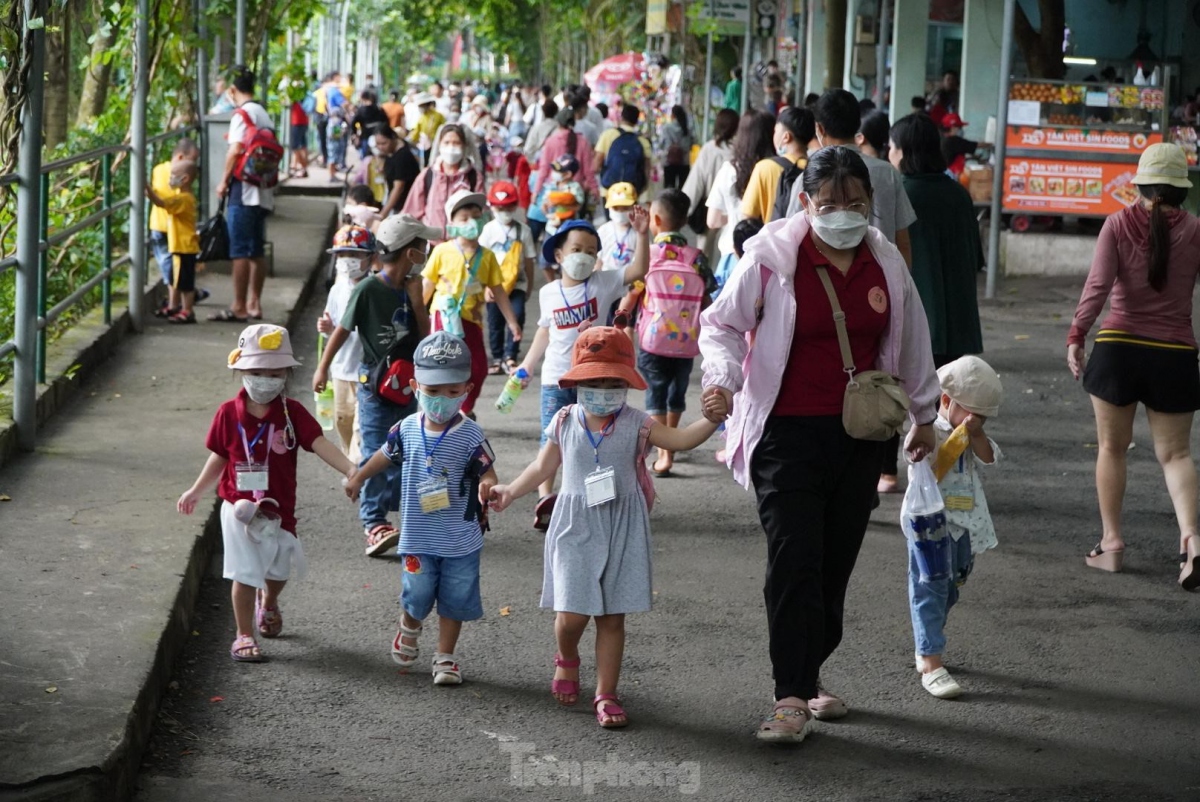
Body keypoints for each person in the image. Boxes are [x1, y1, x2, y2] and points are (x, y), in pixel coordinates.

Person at [698, 146, 940, 743]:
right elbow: (721, 324)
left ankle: (808, 674)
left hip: (861, 436)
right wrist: (721, 382)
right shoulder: (772, 257)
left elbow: (912, 343)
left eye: (855, 202)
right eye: (828, 202)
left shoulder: (885, 263)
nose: (842, 213)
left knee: (834, 567)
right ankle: (789, 694)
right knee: (794, 560)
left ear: (870, 204)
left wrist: (925, 416)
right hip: (785, 434)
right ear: (804, 202)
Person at [488, 324, 728, 727]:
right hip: (574, 523)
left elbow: (681, 440)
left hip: (623, 524)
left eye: (612, 381)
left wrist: (709, 420)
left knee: (613, 616)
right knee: (572, 613)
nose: (602, 390)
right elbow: (543, 466)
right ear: (577, 381)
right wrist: (511, 489)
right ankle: (566, 656)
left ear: (627, 383)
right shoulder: (565, 419)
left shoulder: (639, 422)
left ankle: (606, 692)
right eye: (593, 381)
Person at [178, 324, 357, 662]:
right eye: (257, 371)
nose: (265, 379)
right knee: (244, 573)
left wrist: (350, 469)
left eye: (274, 373)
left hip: (278, 509)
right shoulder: (228, 414)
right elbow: (219, 456)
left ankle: (269, 600)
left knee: (278, 572)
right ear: (241, 370)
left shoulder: (293, 414)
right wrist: (196, 490)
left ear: (286, 374)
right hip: (238, 507)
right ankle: (243, 634)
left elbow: (319, 444)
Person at [1066, 143, 1200, 590]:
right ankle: (1192, 543)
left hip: (1118, 349)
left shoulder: (1118, 224)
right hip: (1176, 354)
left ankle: (1112, 544)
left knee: (1111, 448)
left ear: (1140, 184)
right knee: (1176, 455)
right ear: (1183, 188)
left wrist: (1076, 335)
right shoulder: (1196, 230)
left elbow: (1098, 285)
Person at [345, 331, 499, 685]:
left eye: (452, 391)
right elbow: (383, 456)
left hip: (460, 537)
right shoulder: (405, 429)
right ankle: (409, 625)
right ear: (415, 386)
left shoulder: (471, 434)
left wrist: (489, 485)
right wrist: (358, 478)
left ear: (467, 389)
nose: (442, 400)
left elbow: (487, 469)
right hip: (417, 536)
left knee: (455, 598)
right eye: (432, 391)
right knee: (417, 591)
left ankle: (445, 657)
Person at [313, 215, 437, 557]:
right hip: (375, 385)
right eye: (422, 246)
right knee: (375, 449)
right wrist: (322, 367)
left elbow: (424, 336)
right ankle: (373, 523)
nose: (427, 250)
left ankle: (402, 516)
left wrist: (416, 299)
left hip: (408, 385)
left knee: (405, 449)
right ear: (410, 252)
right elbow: (342, 329)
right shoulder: (368, 289)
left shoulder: (412, 287)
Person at [877, 113, 984, 494]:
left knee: (892, 393)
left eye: (891, 147)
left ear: (903, 152)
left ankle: (887, 473)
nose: (888, 154)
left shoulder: (900, 194)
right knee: (950, 406)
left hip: (912, 318)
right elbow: (977, 260)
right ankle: (944, 476)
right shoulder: (958, 194)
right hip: (957, 320)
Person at [517, 213, 651, 503]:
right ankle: (546, 496)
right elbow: (544, 332)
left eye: (591, 251)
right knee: (552, 435)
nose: (584, 256)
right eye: (576, 250)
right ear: (559, 254)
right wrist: (527, 365)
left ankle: (590, 490)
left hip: (594, 378)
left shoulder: (604, 282)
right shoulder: (548, 292)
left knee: (596, 436)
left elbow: (639, 269)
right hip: (555, 377)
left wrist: (642, 234)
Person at [909, 356, 1002, 699]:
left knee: (952, 586)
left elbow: (989, 457)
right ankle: (930, 658)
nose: (976, 420)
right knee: (929, 586)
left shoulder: (974, 432)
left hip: (966, 524)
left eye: (983, 416)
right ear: (946, 401)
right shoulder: (928, 428)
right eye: (971, 413)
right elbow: (927, 465)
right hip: (930, 522)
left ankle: (929, 634)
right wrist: (957, 436)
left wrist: (975, 434)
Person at [619, 188, 715, 477]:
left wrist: (621, 323)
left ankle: (663, 455)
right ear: (684, 220)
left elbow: (632, 296)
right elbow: (708, 299)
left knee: (655, 395)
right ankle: (670, 444)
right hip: (687, 341)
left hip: (653, 340)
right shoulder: (696, 258)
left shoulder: (650, 256)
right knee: (677, 394)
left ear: (656, 220)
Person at [787, 89, 915, 267]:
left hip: (824, 278)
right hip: (881, 278)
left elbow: (791, 238)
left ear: (820, 129)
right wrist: (901, 286)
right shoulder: (888, 173)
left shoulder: (807, 178)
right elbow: (903, 242)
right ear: (857, 125)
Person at [422, 190, 523, 416]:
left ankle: (463, 409)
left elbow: (498, 290)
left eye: (477, 216)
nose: (472, 222)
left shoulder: (486, 256)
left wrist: (512, 322)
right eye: (464, 217)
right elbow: (426, 288)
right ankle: (439, 411)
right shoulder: (442, 251)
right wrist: (417, 318)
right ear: (452, 222)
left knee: (478, 368)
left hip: (472, 320)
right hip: (443, 317)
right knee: (443, 366)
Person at [213, 67, 275, 323]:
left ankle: (238, 305)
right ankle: (254, 303)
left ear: (232, 90)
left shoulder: (242, 114)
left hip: (243, 189)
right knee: (256, 250)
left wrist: (223, 181)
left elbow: (235, 149)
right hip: (263, 190)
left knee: (239, 250)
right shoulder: (263, 113)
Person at [317, 224, 375, 463]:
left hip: (367, 371)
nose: (348, 260)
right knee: (344, 421)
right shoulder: (337, 290)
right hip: (341, 369)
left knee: (362, 430)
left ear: (371, 258)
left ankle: (358, 471)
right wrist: (327, 329)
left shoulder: (375, 289)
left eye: (355, 255)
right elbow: (332, 328)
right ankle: (352, 466)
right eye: (343, 255)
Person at [707, 111, 776, 292]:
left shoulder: (730, 169)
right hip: (771, 255)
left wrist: (733, 214)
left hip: (733, 253)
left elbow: (712, 220)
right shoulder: (776, 169)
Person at [481, 181, 537, 373]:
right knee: (494, 321)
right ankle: (497, 357)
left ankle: (510, 355)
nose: (504, 211)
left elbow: (529, 261)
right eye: (499, 207)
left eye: (508, 207)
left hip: (518, 283)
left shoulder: (524, 231)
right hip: (494, 284)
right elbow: (482, 259)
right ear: (492, 207)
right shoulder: (488, 230)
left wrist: (528, 285)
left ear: (515, 207)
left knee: (517, 315)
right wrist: (484, 286)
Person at [149, 138, 204, 317]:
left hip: (183, 246)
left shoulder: (183, 199)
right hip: (179, 243)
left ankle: (187, 310)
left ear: (185, 179)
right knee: (177, 276)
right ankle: (176, 306)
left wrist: (147, 189)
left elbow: (162, 202)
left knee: (185, 281)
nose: (171, 180)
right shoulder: (184, 195)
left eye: (173, 177)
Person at [402, 124, 484, 236]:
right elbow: (412, 211)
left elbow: (482, 212)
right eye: (447, 142)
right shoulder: (428, 175)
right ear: (439, 145)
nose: (451, 147)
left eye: (456, 143)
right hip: (431, 243)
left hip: (461, 244)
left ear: (464, 146)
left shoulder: (473, 176)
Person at [741, 106, 813, 223]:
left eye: (775, 131)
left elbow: (748, 218)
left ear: (786, 137)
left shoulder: (765, 167)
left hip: (774, 239)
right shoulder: (816, 169)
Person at [681, 107, 738, 249]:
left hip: (710, 210)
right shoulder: (740, 151)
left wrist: (683, 210)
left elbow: (696, 182)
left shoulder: (709, 149)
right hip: (733, 212)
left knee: (705, 252)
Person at [533, 107, 597, 200]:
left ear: (558, 122)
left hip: (555, 190)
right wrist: (594, 189)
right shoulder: (583, 142)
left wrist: (536, 191)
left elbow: (544, 168)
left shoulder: (551, 141)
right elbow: (589, 171)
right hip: (576, 193)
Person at [594, 103, 651, 204]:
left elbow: (597, 163)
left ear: (622, 117)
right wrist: (642, 188)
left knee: (612, 219)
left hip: (609, 190)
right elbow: (646, 169)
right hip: (631, 191)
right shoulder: (642, 140)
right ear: (636, 120)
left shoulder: (608, 135)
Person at [372, 127, 421, 219]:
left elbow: (398, 188)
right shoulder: (390, 152)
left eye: (384, 143)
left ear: (393, 139)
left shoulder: (402, 157)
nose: (380, 147)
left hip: (404, 207)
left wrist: (383, 214)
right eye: (377, 144)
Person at [597, 182, 638, 274]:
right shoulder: (603, 231)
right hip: (606, 279)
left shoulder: (639, 233)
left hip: (630, 280)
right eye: (615, 208)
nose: (620, 212)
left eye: (625, 208)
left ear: (634, 207)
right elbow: (598, 260)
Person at [542, 153, 585, 237]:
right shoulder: (551, 185)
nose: (553, 173)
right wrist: (546, 212)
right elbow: (544, 204)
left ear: (568, 174)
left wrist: (559, 204)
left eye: (557, 171)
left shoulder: (575, 187)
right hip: (551, 227)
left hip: (569, 227)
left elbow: (578, 207)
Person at [658, 105, 694, 191]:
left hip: (669, 161)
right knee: (683, 188)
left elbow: (661, 143)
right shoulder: (687, 129)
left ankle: (669, 204)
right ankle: (681, 204)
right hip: (684, 162)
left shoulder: (666, 128)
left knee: (669, 188)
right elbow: (692, 143)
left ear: (673, 115)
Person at [939, 113, 980, 178]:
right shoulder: (954, 140)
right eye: (959, 127)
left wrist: (971, 158)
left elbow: (952, 156)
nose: (961, 130)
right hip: (951, 176)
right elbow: (976, 145)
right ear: (953, 128)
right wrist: (993, 143)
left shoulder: (941, 137)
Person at [410, 93, 447, 166]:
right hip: (424, 145)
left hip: (436, 143)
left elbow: (444, 128)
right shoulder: (422, 117)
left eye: (421, 106)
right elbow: (416, 131)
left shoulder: (438, 116)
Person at [524, 100, 559, 164]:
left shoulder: (536, 128)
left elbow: (528, 149)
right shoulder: (560, 128)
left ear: (543, 112)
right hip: (555, 165)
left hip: (539, 163)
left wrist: (533, 163)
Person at [288, 98, 310, 178]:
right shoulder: (302, 94)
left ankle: (299, 167)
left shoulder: (294, 93)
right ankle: (299, 167)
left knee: (295, 146)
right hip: (303, 121)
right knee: (302, 145)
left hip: (296, 121)